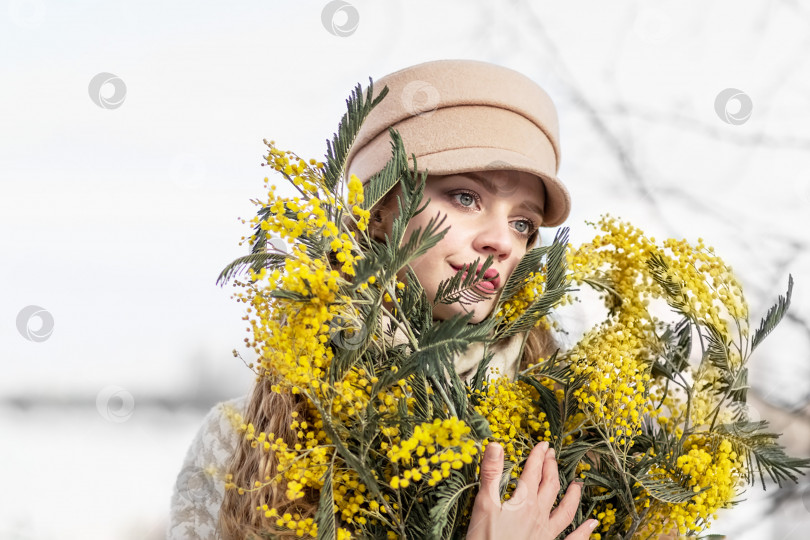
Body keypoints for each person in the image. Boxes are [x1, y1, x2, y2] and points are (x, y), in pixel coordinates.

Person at [168, 59, 599, 539]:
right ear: (378, 212)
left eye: (523, 223)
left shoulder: (579, 436)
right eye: (464, 197)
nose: (501, 240)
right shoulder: (233, 446)